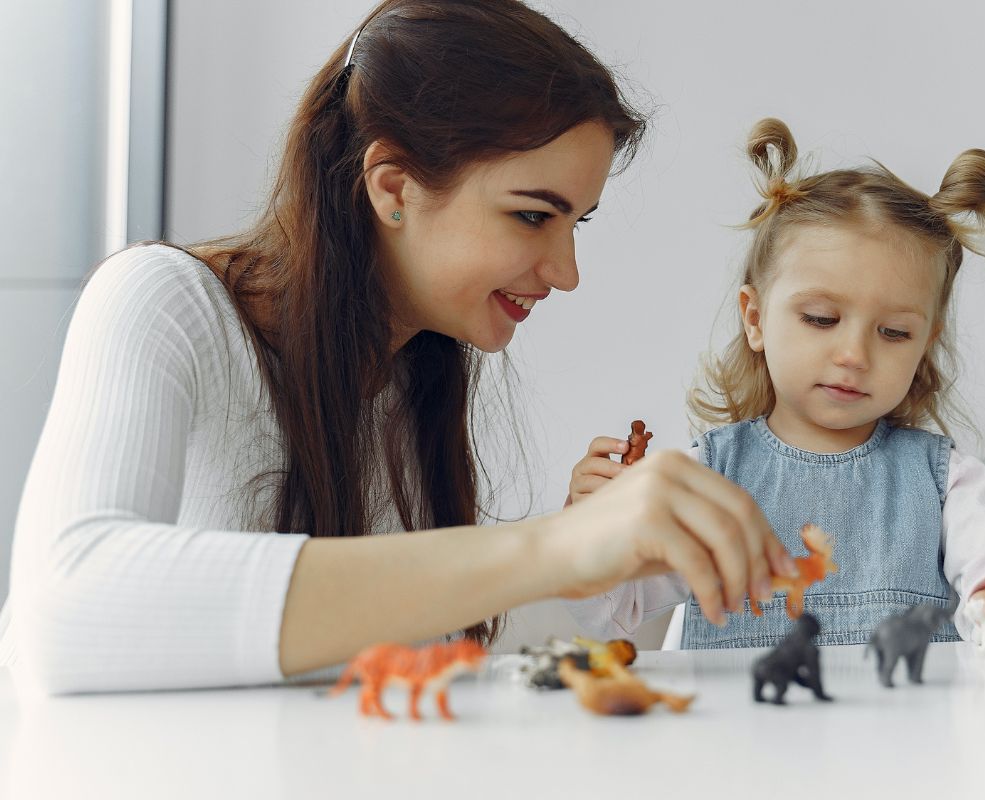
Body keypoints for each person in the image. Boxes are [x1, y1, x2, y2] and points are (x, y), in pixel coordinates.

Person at [0, 0, 796, 695]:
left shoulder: (416, 373)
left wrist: (592, 566)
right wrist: (548, 548)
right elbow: (64, 609)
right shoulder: (162, 302)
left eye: (574, 222)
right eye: (531, 215)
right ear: (393, 187)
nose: (565, 272)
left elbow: (420, 659)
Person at [566, 117, 985, 658]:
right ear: (756, 318)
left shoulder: (948, 483)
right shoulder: (706, 479)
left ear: (925, 343)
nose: (854, 355)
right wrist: (590, 529)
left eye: (893, 332)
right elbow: (611, 612)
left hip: (910, 742)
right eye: (819, 318)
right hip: (739, 743)